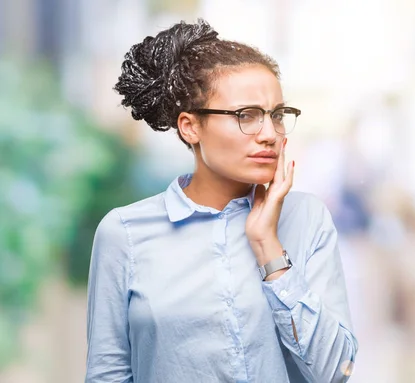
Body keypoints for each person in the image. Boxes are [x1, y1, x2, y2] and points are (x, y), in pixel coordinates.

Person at [85, 19, 358, 383]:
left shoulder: (307, 219)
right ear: (190, 127)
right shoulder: (125, 233)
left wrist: (268, 247)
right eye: (246, 116)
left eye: (276, 115)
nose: (269, 134)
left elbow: (334, 372)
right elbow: (108, 374)